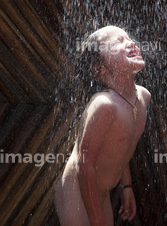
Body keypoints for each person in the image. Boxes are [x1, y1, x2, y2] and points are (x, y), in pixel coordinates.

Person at [54, 25, 151, 226]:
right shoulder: (104, 106)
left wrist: (127, 186)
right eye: (118, 42)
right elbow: (85, 164)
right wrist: (96, 219)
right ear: (99, 68)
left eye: (129, 38)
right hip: (78, 193)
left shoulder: (143, 98)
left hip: (99, 192)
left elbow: (123, 148)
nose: (131, 43)